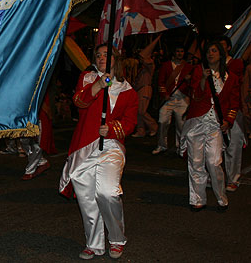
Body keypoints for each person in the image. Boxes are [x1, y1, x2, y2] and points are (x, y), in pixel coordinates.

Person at [59, 44, 138, 260]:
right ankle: (94, 243)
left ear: (117, 59)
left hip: (111, 146)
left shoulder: (128, 90)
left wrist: (112, 129)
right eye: (99, 55)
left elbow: (130, 122)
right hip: (85, 146)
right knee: (86, 196)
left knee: (108, 192)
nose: (102, 57)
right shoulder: (87, 77)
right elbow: (79, 102)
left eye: (107, 54)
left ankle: (117, 238)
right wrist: (97, 86)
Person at [180, 41, 239, 212]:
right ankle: (197, 199)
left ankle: (221, 197)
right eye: (208, 51)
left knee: (214, 162)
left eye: (214, 51)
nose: (210, 54)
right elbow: (195, 96)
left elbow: (234, 102)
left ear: (221, 54)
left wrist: (228, 120)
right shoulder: (199, 71)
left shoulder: (232, 77)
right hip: (197, 123)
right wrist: (204, 79)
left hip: (216, 125)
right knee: (196, 162)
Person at [153, 45, 193, 155]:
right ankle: (161, 145)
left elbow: (193, 85)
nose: (179, 53)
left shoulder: (188, 67)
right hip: (169, 98)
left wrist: (189, 80)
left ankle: (181, 147)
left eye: (181, 51)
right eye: (177, 51)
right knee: (162, 121)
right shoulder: (166, 65)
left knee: (181, 125)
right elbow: (161, 82)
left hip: (182, 99)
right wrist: (164, 94)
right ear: (174, 52)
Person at [218, 36, 245, 192]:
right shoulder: (210, 66)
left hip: (232, 109)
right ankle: (213, 175)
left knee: (233, 146)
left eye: (222, 46)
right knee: (214, 147)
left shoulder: (235, 63)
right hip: (215, 111)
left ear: (228, 48)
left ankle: (233, 178)